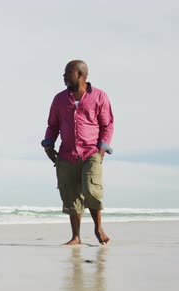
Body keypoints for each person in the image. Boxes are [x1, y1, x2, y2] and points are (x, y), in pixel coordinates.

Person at [42, 60, 114, 245]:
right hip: (66, 155)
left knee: (91, 190)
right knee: (71, 195)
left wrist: (102, 148)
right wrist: (49, 145)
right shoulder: (59, 99)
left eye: (68, 72)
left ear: (80, 75)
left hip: (91, 152)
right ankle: (76, 237)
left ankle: (98, 229)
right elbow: (53, 125)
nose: (64, 76)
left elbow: (107, 125)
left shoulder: (99, 96)